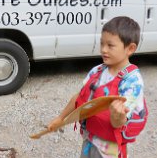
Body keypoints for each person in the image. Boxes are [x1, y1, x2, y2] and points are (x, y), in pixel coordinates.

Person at [47, 16, 148, 158]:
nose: (103, 50)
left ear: (130, 49)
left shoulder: (132, 82)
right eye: (102, 44)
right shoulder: (97, 71)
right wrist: (61, 118)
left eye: (110, 45)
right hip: (89, 139)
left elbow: (119, 123)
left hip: (110, 151)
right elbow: (79, 96)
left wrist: (117, 115)